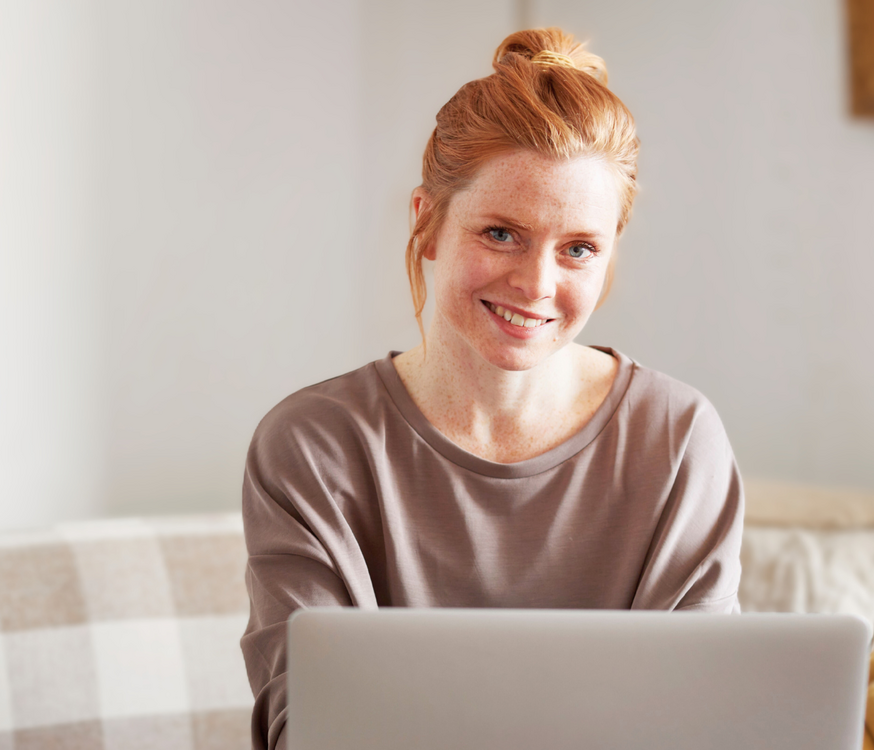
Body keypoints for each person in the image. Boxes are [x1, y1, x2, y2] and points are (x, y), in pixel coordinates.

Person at [239, 28, 744, 750]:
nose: (536, 284)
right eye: (502, 234)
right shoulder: (313, 446)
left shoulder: (677, 438)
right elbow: (309, 730)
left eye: (578, 249)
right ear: (427, 223)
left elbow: (697, 721)